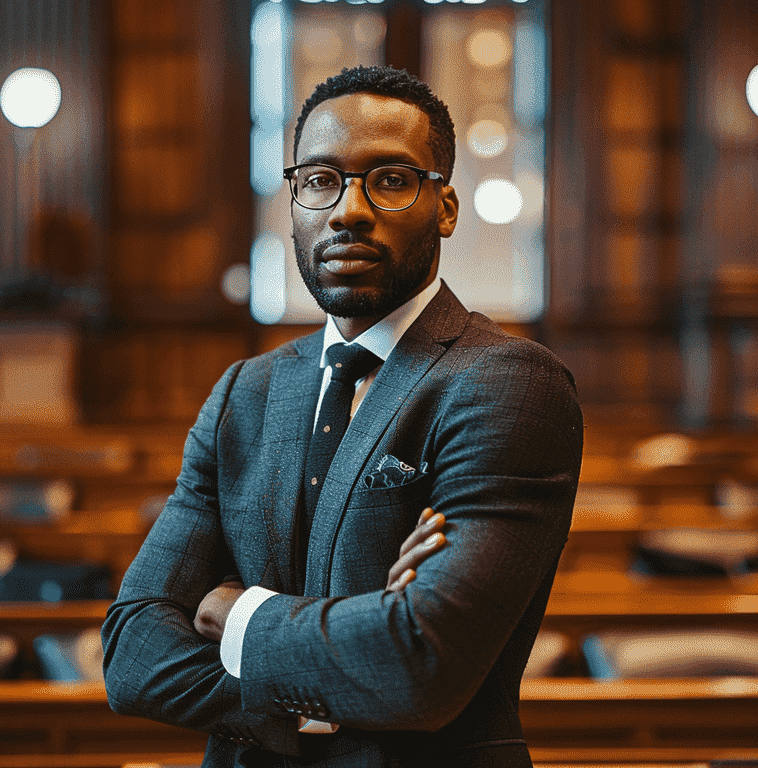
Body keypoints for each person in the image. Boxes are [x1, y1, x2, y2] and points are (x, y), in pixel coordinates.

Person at [102, 65, 583, 768]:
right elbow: (134, 652)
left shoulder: (508, 382)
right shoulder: (245, 391)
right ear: (295, 199)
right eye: (320, 179)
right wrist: (317, 702)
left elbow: (419, 664)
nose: (347, 210)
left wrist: (233, 613)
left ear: (444, 206)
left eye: (390, 178)